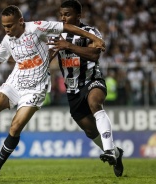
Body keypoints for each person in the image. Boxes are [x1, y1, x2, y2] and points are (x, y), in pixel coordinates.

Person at [0, 5, 105, 180]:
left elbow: (66, 27)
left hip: (37, 87)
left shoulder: (37, 27)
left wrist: (94, 38)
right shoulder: (7, 40)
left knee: (15, 127)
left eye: (10, 25)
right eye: (4, 26)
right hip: (16, 81)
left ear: (21, 21)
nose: (7, 29)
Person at [47, 0, 124, 177]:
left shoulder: (90, 32)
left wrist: (70, 47)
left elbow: (95, 54)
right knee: (90, 130)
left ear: (78, 15)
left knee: (95, 103)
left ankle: (109, 152)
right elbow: (48, 55)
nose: (63, 17)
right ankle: (116, 152)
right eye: (61, 14)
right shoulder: (56, 34)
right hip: (72, 89)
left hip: (92, 80)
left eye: (67, 14)